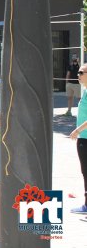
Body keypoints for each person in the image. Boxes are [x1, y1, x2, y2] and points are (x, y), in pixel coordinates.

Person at [69, 62, 87, 215]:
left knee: (86, 172)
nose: (78, 75)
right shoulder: (86, 91)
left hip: (85, 138)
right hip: (84, 137)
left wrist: (77, 130)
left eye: (81, 72)